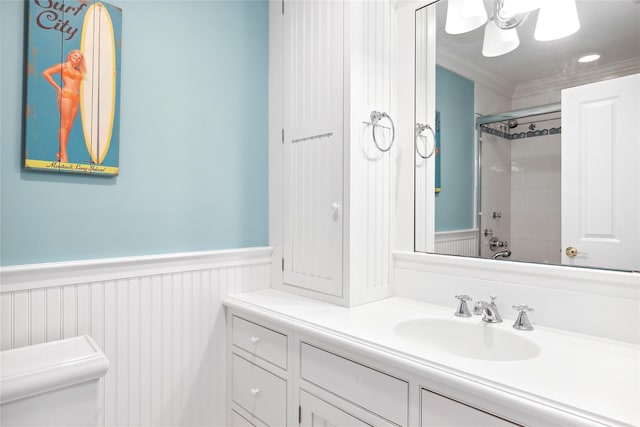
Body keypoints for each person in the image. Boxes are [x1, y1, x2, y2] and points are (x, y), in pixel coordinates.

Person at [42, 49, 86, 163]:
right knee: (64, 124)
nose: (76, 58)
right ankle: (63, 154)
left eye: (79, 58)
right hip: (66, 95)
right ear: (70, 55)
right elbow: (46, 73)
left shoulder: (79, 71)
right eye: (75, 56)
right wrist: (57, 88)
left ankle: (60, 152)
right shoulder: (63, 66)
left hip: (76, 98)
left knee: (69, 126)